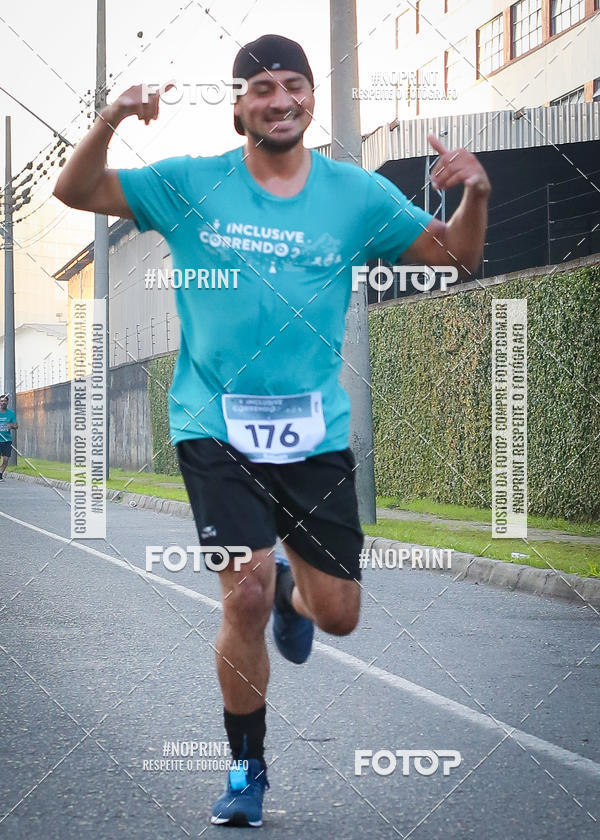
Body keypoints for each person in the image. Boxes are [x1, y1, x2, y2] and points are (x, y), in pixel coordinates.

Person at [53, 33, 490, 828]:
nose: (279, 99)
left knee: (341, 614)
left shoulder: (353, 195)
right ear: (238, 105)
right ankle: (248, 765)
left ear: (311, 99)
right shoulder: (190, 183)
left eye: (294, 85)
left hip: (313, 435)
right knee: (243, 590)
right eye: (262, 88)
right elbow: (75, 191)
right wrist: (114, 116)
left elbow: (454, 259)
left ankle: (297, 591)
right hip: (211, 423)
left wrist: (477, 196)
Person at [0, 394, 18, 480]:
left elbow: (16, 426)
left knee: (6, 460)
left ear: (7, 402)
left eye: (5, 401)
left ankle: (0, 474)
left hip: (7, 440)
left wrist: (10, 425)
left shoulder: (11, 413)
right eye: (1, 401)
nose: (3, 402)